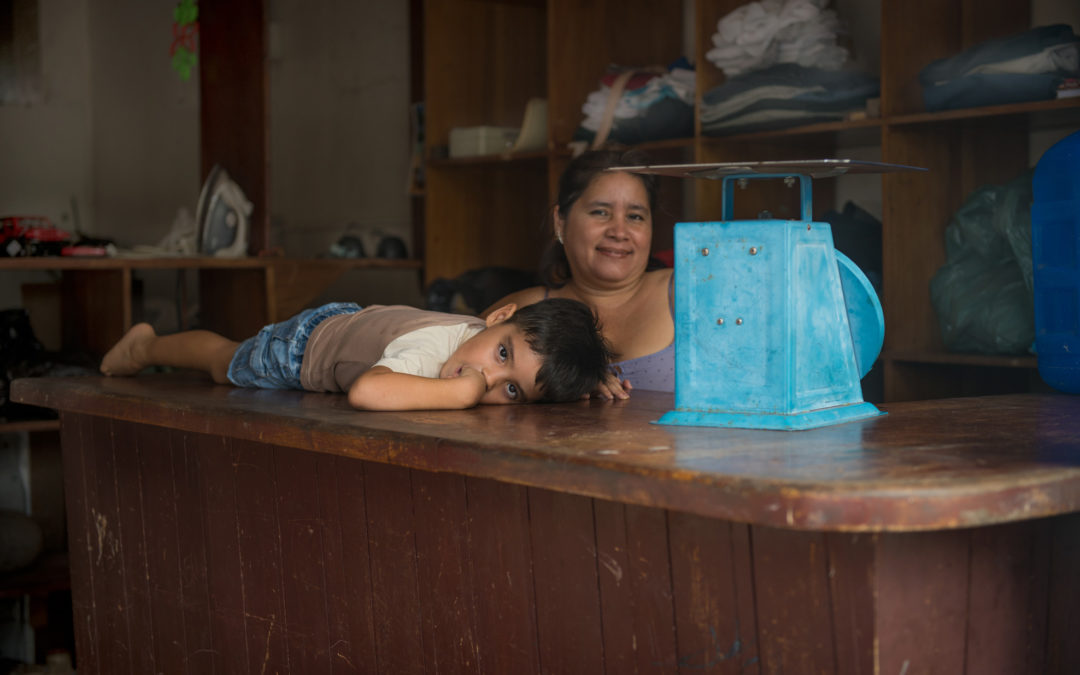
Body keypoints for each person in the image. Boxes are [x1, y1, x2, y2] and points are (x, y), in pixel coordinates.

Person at [99, 298, 612, 411]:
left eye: (513, 388)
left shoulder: (482, 337)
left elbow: (530, 364)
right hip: (305, 350)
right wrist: (462, 391)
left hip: (353, 325)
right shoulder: (436, 353)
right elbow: (369, 391)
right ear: (498, 316)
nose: (488, 374)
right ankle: (144, 345)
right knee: (223, 362)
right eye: (502, 353)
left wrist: (585, 384)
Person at [482, 149, 673, 398]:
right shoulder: (521, 310)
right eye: (601, 212)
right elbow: (444, 364)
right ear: (560, 222)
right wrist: (569, 381)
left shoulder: (687, 291)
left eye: (635, 216)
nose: (619, 231)